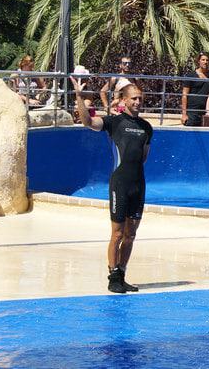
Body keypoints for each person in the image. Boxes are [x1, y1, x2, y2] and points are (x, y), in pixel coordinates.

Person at [70, 78, 152, 294]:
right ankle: (113, 276)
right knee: (117, 233)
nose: (138, 102)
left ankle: (122, 274)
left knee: (131, 234)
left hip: (138, 184)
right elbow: (88, 122)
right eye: (134, 98)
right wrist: (79, 97)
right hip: (120, 183)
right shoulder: (114, 123)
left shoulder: (146, 127)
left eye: (140, 99)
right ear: (123, 100)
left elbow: (143, 157)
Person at [181, 52, 209, 127]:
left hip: (205, 111)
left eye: (207, 60)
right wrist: (184, 114)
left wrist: (208, 111)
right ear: (199, 61)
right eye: (203, 60)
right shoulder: (190, 75)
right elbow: (184, 95)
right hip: (192, 111)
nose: (205, 62)